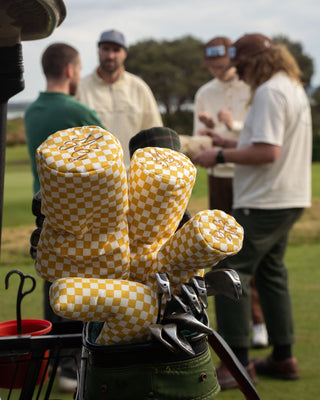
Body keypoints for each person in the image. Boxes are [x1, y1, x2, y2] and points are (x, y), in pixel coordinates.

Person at [193, 33, 312, 389]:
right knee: (272, 272)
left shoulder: (269, 92)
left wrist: (218, 156)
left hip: (264, 199)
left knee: (229, 269)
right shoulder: (290, 87)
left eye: (241, 67)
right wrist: (228, 142)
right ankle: (284, 356)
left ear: (256, 62)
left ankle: (237, 364)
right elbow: (264, 141)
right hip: (288, 197)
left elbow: (267, 152)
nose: (240, 75)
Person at [25, 42, 104, 393]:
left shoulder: (30, 112)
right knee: (81, 291)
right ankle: (75, 366)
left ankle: (55, 361)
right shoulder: (79, 111)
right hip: (80, 216)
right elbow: (108, 164)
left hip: (44, 211)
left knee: (53, 286)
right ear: (71, 70)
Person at [193, 36, 268, 347]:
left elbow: (258, 134)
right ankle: (237, 325)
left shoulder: (252, 88)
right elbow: (200, 140)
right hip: (219, 177)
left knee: (250, 251)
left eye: (222, 66)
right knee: (224, 252)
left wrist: (232, 124)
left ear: (233, 62)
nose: (217, 72)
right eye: (211, 67)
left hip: (247, 176)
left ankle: (259, 322)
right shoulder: (203, 93)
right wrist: (209, 127)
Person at [75, 29, 163, 171]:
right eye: (106, 49)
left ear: (125, 54)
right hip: (93, 178)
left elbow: (155, 134)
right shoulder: (80, 88)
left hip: (134, 177)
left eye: (116, 50)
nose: (110, 55)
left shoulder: (139, 88)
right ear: (98, 51)